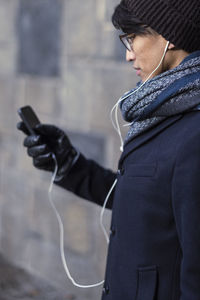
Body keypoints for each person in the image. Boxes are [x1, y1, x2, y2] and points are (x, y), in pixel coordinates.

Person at [17, 0, 200, 299]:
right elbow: (145, 203)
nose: (128, 55)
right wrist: (68, 164)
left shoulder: (193, 132)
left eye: (132, 37)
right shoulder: (162, 108)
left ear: (170, 35)